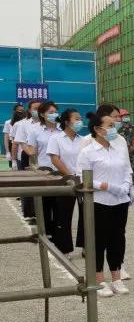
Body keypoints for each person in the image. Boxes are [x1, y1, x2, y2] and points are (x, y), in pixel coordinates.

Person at [76, 111, 134, 297]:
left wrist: (125, 186)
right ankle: (99, 279)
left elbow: (127, 170)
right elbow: (82, 177)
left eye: (114, 125)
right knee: (99, 240)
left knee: (117, 239)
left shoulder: (118, 149)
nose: (114, 128)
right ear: (97, 129)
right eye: (110, 125)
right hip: (99, 201)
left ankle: (116, 278)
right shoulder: (88, 152)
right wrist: (106, 186)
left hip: (120, 201)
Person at [46, 109, 83, 258]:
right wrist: (69, 176)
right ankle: (64, 248)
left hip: (82, 181)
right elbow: (55, 159)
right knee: (63, 215)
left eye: (80, 119)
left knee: (86, 214)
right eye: (76, 119)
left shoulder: (83, 140)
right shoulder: (56, 138)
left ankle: (86, 246)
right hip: (64, 181)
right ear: (67, 122)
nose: (80, 122)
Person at [27, 101, 62, 239]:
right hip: (44, 172)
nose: (54, 114)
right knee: (45, 205)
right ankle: (46, 234)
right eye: (50, 112)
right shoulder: (35, 130)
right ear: (42, 114)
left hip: (61, 172)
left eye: (55, 112)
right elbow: (32, 152)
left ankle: (58, 235)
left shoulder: (62, 129)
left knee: (59, 205)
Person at [13, 98, 44, 221]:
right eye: (35, 108)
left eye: (40, 108)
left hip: (43, 156)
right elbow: (19, 142)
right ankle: (30, 214)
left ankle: (42, 213)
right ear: (30, 110)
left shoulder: (46, 123)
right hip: (27, 156)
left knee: (43, 185)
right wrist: (15, 160)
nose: (38, 111)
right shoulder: (23, 124)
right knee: (28, 185)